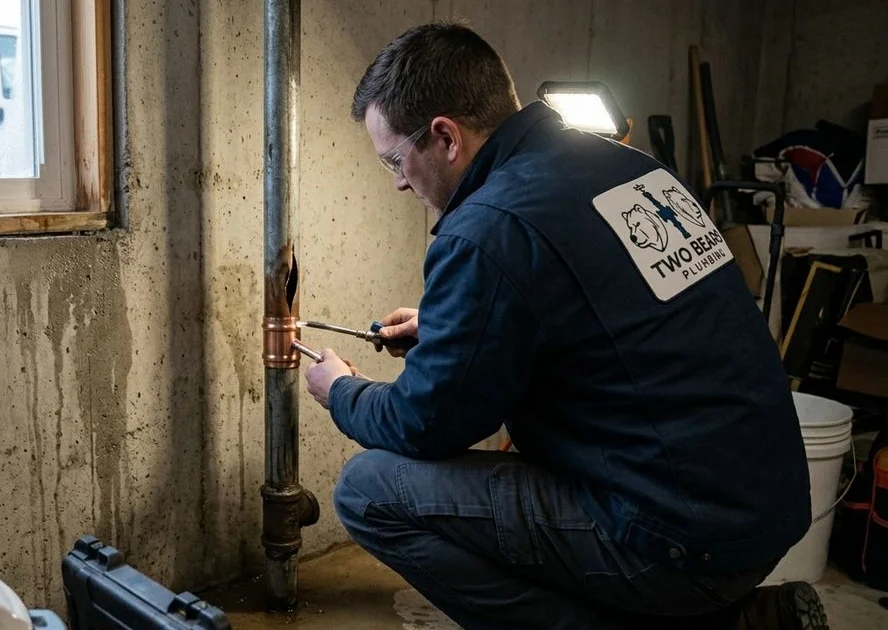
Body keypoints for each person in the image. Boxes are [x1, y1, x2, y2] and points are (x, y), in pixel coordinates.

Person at [303, 22, 827, 630]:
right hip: (764, 511)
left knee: (369, 491)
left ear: (445, 136)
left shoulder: (489, 227)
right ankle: (737, 620)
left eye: (397, 159)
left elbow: (428, 424)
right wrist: (454, 327)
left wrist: (342, 391)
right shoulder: (629, 169)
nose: (397, 181)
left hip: (681, 540)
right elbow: (609, 317)